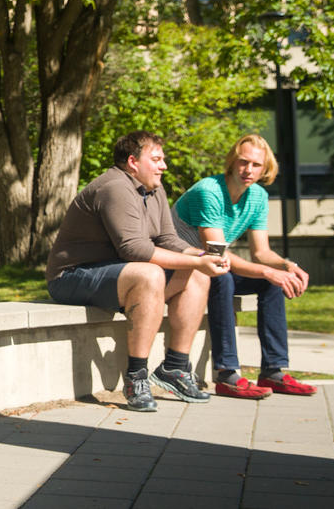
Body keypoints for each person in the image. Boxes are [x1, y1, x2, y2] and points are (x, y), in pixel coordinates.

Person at [44, 131, 230, 412]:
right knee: (150, 274)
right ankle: (136, 377)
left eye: (162, 159)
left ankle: (175, 367)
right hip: (72, 276)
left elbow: (169, 240)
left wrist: (203, 257)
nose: (163, 166)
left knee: (198, 275)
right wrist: (195, 260)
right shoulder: (115, 187)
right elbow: (134, 250)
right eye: (156, 159)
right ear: (133, 161)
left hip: (116, 272)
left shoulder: (154, 189)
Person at [174, 134, 316, 399]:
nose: (248, 170)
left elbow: (261, 252)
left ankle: (273, 370)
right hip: (180, 265)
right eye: (243, 162)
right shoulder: (209, 191)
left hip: (210, 265)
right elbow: (216, 254)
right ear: (232, 161)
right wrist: (266, 270)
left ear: (266, 169)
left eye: (256, 165)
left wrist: (286, 265)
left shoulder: (258, 196)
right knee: (224, 277)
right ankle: (226, 374)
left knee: (270, 281)